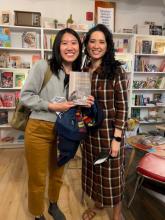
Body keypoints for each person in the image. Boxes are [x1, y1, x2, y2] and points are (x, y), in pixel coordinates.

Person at [20, 28, 82, 220]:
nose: (70, 47)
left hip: (66, 131)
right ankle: (38, 212)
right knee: (37, 176)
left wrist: (85, 103)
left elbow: (76, 103)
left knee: (57, 172)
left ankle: (53, 204)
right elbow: (25, 97)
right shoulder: (43, 66)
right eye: (65, 43)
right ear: (57, 46)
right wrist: (51, 105)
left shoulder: (81, 73)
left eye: (74, 43)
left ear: (79, 47)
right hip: (39, 128)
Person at [81, 24, 128, 220]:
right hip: (90, 132)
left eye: (102, 41)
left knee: (113, 176)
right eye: (92, 41)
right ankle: (97, 203)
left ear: (108, 45)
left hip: (110, 134)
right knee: (93, 170)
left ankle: (117, 214)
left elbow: (123, 107)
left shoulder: (116, 71)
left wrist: (117, 139)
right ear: (87, 44)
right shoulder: (83, 70)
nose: (96, 45)